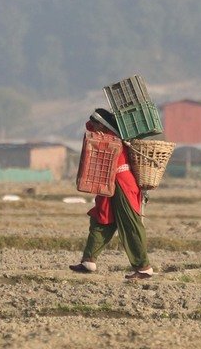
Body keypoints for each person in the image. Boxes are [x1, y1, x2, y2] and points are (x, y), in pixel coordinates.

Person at [70, 108, 154, 280]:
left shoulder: (115, 138)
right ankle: (88, 261)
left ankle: (143, 267)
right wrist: (97, 121)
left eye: (96, 123)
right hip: (109, 182)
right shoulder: (104, 135)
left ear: (103, 124)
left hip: (123, 183)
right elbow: (89, 127)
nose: (93, 126)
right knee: (101, 219)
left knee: (130, 223)